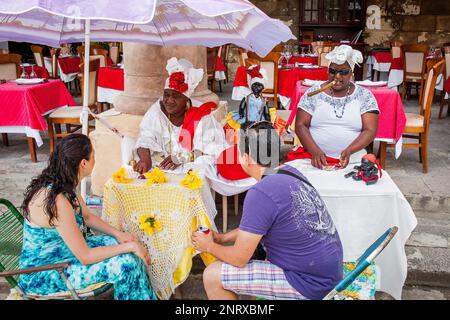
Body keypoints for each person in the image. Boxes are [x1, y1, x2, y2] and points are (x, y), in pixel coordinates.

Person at [192, 122, 343, 300]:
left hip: (308, 283)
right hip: (327, 273)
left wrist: (209, 246)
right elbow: (259, 227)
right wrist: (222, 238)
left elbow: (239, 258)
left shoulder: (261, 192)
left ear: (247, 158)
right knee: (254, 253)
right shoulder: (290, 172)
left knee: (213, 275)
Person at [19, 134, 157, 300]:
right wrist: (130, 247)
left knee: (125, 244)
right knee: (125, 264)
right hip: (45, 272)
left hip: (67, 252)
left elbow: (87, 216)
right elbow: (85, 257)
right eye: (93, 156)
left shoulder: (65, 183)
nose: (95, 159)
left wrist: (119, 235)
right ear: (83, 163)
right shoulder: (57, 201)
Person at [132, 57, 228, 175]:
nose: (169, 101)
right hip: (163, 166)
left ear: (186, 99)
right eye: (166, 95)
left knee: (202, 167)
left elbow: (209, 149)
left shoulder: (201, 113)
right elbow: (146, 137)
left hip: (191, 166)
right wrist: (145, 159)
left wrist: (182, 157)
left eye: (176, 96)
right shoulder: (157, 110)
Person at [290, 44, 379, 169]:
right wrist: (314, 151)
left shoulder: (364, 95)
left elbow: (370, 130)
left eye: (343, 72)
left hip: (352, 158)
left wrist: (350, 150)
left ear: (351, 74)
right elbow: (300, 124)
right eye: (332, 71)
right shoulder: (315, 92)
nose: (337, 76)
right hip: (313, 157)